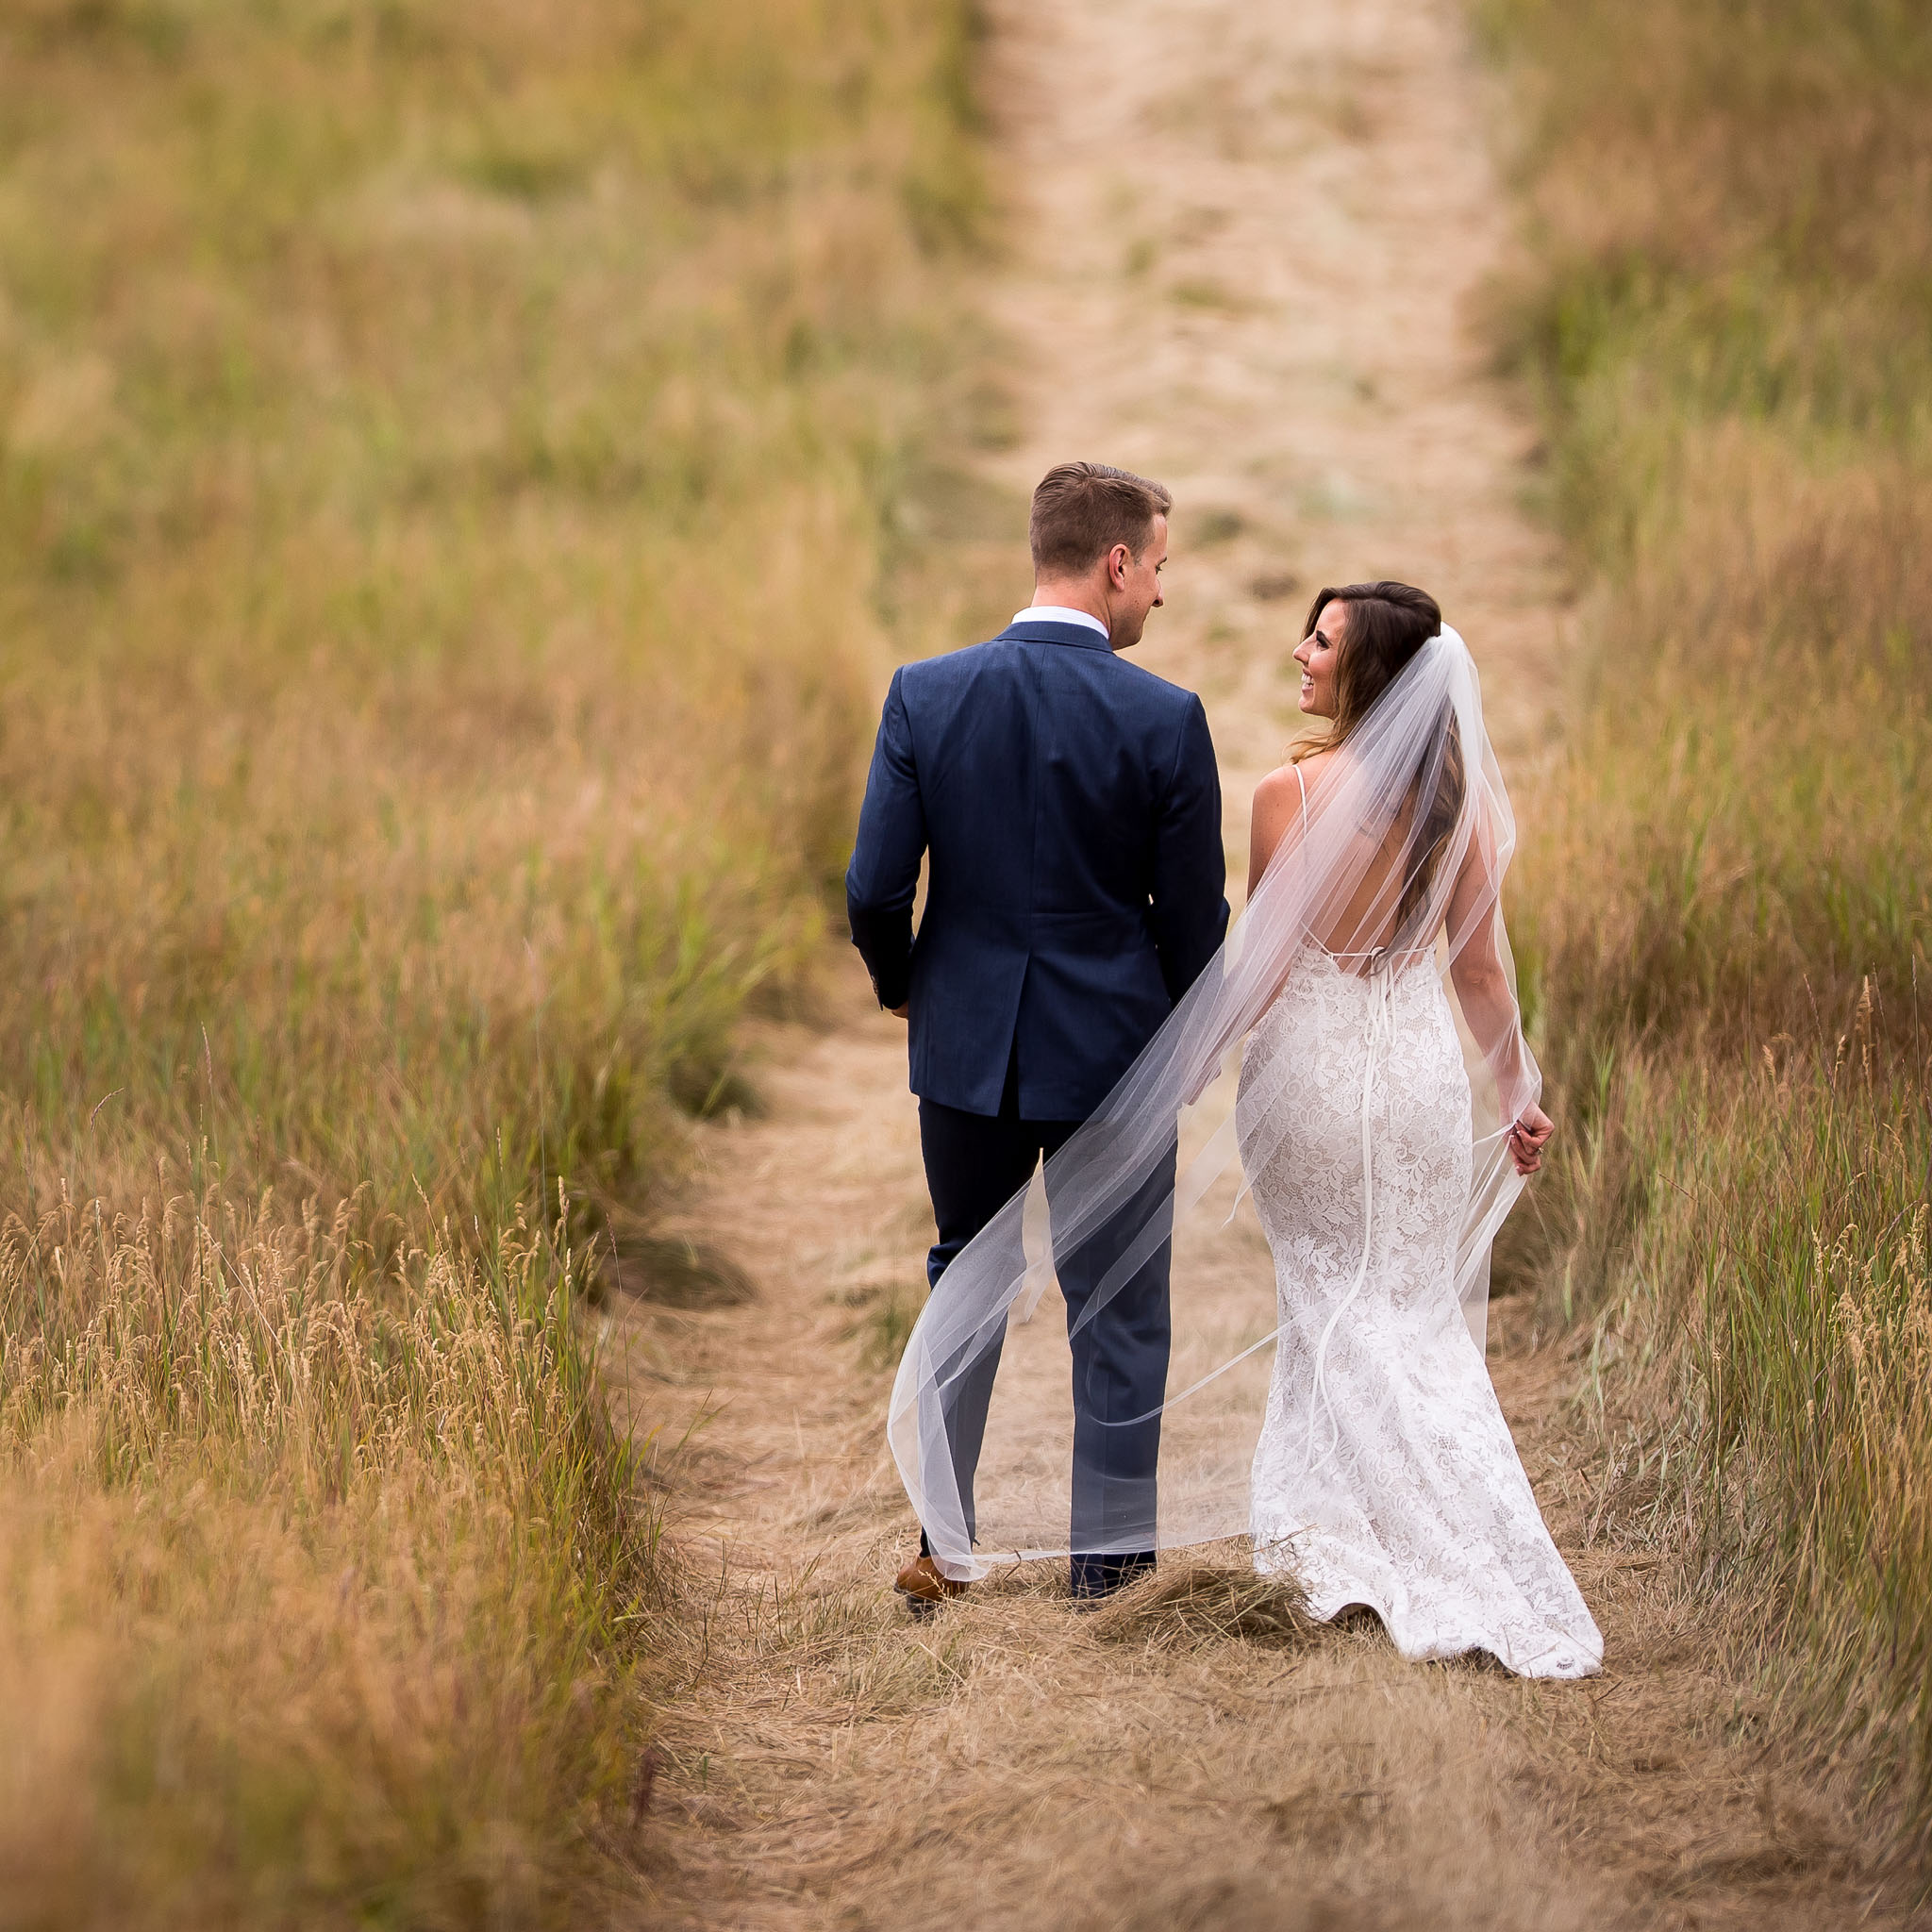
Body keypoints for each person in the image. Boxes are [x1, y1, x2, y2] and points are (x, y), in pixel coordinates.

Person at [846, 460, 1228, 1609]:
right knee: (1118, 1310)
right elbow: (1196, 921)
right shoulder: (1163, 717)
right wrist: (1175, 1043)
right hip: (1113, 1060)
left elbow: (873, 886)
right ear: (1115, 562)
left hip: (962, 1050)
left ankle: (943, 1548)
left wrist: (908, 985)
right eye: (1157, 565)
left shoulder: (925, 691)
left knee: (965, 1277)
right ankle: (1106, 1579)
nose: (1158, 593)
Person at [1238, 582, 1599, 1677]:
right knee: (1401, 1305)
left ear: (1373, 676)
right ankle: (1364, 1522)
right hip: (1414, 1078)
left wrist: (1184, 1068)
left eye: (1323, 640)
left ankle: (1357, 1536)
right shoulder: (1461, 809)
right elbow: (1479, 973)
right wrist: (1515, 1092)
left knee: (1325, 1294)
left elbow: (1254, 971)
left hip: (1307, 1075)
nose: (1299, 651)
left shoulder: (1286, 792)